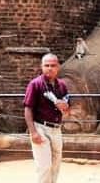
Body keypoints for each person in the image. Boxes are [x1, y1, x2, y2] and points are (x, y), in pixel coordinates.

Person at [24, 53, 70, 183]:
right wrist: (33, 132)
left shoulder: (62, 85)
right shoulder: (35, 84)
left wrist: (64, 106)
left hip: (56, 129)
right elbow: (28, 109)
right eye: (46, 65)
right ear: (42, 67)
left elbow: (67, 109)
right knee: (44, 167)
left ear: (58, 67)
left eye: (53, 65)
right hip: (40, 127)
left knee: (56, 164)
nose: (49, 68)